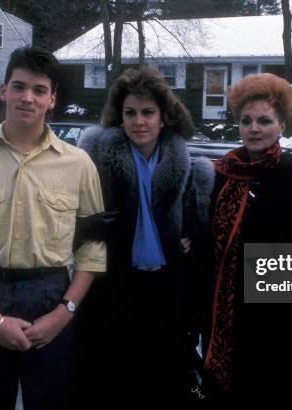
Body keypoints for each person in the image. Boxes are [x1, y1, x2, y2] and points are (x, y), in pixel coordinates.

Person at [0, 47, 106, 410]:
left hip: (52, 302)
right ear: (3, 90)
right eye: (19, 86)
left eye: (39, 90)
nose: (28, 97)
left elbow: (93, 251)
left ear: (52, 99)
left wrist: (64, 313)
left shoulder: (79, 165)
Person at [76, 67, 214, 405]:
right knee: (115, 385)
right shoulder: (97, 158)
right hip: (113, 290)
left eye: (148, 112)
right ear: (119, 117)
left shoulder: (187, 166)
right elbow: (73, 222)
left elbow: (201, 230)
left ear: (164, 117)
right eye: (131, 113)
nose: (139, 121)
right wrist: (95, 227)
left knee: (162, 386)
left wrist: (190, 237)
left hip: (165, 293)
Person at [203, 73, 292, 405]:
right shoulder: (222, 175)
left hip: (279, 320)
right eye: (246, 121)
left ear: (281, 124)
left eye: (265, 120)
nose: (254, 128)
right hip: (225, 316)